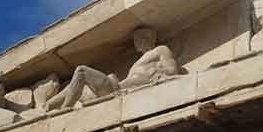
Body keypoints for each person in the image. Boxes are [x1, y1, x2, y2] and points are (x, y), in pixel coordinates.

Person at [45, 27, 179, 111]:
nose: (137, 42)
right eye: (136, 40)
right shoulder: (140, 62)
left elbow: (172, 71)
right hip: (114, 87)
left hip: (115, 89)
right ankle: (46, 107)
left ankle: (65, 109)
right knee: (76, 85)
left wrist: (158, 78)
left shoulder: (161, 50)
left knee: (81, 71)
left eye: (139, 38)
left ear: (149, 37)